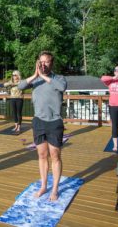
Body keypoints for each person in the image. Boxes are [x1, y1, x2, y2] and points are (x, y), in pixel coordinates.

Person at [18, 51, 67, 201]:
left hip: (54, 121)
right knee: (42, 155)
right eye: (41, 61)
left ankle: (54, 189)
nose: (43, 64)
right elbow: (20, 86)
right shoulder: (35, 80)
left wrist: (43, 76)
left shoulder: (58, 78)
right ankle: (44, 186)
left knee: (55, 155)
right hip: (39, 121)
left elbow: (62, 87)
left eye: (46, 62)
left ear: (51, 64)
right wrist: (35, 74)